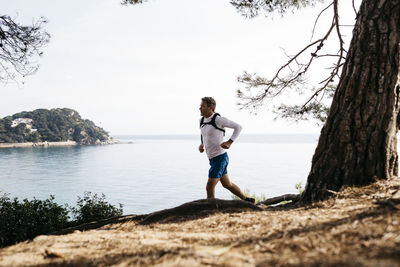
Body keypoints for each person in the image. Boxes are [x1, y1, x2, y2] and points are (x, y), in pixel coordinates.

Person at [199, 97, 255, 203]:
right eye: (200, 106)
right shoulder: (201, 121)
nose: (200, 108)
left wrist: (230, 142)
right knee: (227, 184)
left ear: (210, 107)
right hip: (212, 159)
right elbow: (204, 134)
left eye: (202, 106)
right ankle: (248, 200)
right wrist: (202, 144)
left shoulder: (218, 119)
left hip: (220, 158)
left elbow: (238, 127)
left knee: (209, 187)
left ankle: (211, 211)